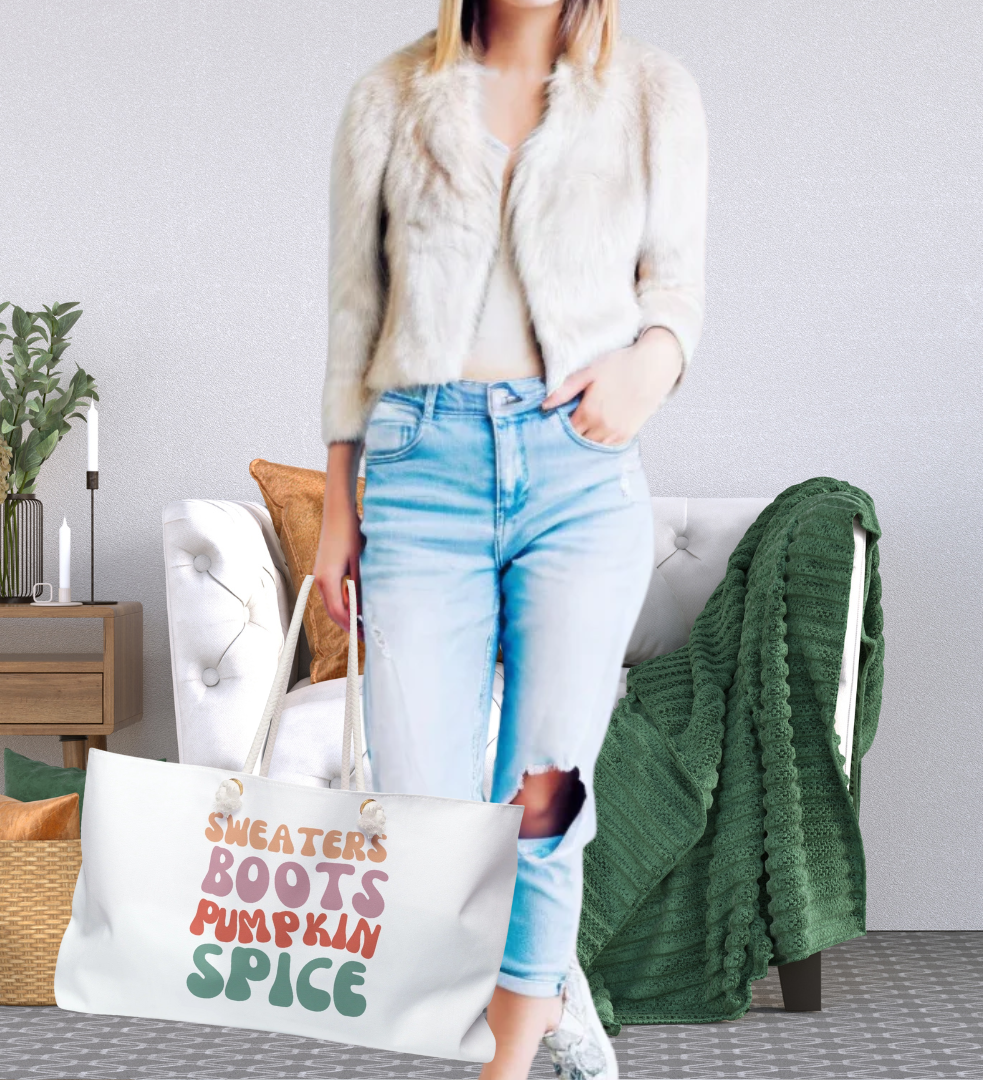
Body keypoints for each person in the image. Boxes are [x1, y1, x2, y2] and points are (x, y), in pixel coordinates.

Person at [314, 1, 707, 1077]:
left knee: (547, 795)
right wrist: (338, 504)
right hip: (418, 467)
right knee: (431, 817)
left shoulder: (651, 92)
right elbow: (355, 315)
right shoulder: (387, 99)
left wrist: (648, 366)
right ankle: (550, 987)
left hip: (577, 478)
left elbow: (675, 286)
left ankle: (510, 1062)